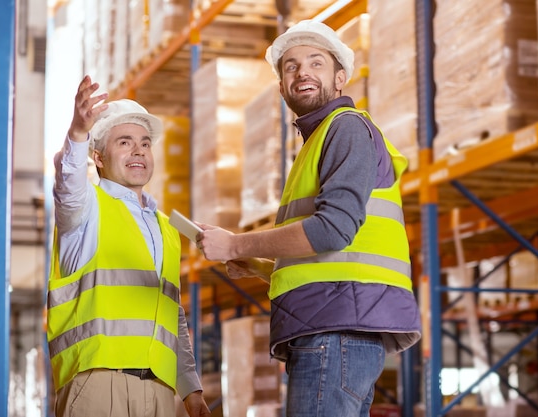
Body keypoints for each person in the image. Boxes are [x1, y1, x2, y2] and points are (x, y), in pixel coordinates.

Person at [197, 20, 421, 417]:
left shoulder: (345, 129)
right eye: (291, 66)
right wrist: (263, 266)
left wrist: (235, 244)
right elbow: (331, 259)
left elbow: (332, 230)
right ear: (282, 87)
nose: (302, 72)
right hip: (338, 324)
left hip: (336, 331)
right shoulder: (318, 142)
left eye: (316, 63)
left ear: (340, 78)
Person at [46, 75, 211, 417]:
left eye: (145, 143)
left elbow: (171, 315)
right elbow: (68, 183)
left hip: (160, 391)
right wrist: (78, 133)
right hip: (99, 383)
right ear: (99, 157)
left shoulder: (166, 227)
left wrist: (190, 388)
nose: (138, 151)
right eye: (124, 142)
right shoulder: (86, 208)